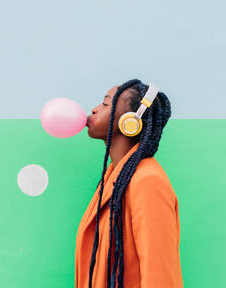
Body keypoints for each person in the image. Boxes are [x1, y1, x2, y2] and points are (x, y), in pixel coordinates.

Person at [75, 79, 183, 288]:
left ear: (130, 121)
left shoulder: (147, 181)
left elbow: (160, 274)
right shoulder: (114, 177)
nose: (95, 110)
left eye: (106, 104)